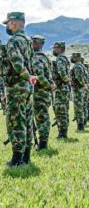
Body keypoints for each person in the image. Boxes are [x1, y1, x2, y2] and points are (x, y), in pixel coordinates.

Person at [2, 12, 37, 166]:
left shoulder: (13, 41)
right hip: (27, 88)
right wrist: (30, 78)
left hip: (16, 87)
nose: (7, 26)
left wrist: (26, 76)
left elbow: (17, 64)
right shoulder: (28, 41)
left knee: (16, 122)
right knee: (27, 121)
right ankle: (26, 157)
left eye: (8, 23)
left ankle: (17, 159)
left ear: (14, 23)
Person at [32, 35, 56, 150]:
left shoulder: (36, 57)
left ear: (37, 44)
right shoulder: (44, 57)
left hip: (40, 92)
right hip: (44, 92)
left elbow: (39, 75)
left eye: (32, 42)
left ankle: (42, 145)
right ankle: (43, 143)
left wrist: (48, 85)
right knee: (43, 117)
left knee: (41, 118)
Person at [52, 41, 71, 138]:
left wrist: (65, 81)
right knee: (63, 109)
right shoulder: (64, 59)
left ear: (60, 49)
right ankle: (63, 131)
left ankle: (62, 133)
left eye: (55, 48)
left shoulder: (60, 59)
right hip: (64, 87)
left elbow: (62, 73)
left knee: (60, 110)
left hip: (61, 88)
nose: (54, 50)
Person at [70, 53, 87, 131]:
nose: (72, 58)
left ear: (77, 58)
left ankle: (80, 126)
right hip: (80, 89)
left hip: (78, 89)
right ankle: (81, 124)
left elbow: (79, 78)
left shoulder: (77, 66)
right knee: (80, 107)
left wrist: (84, 85)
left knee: (78, 108)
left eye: (73, 57)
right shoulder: (81, 66)